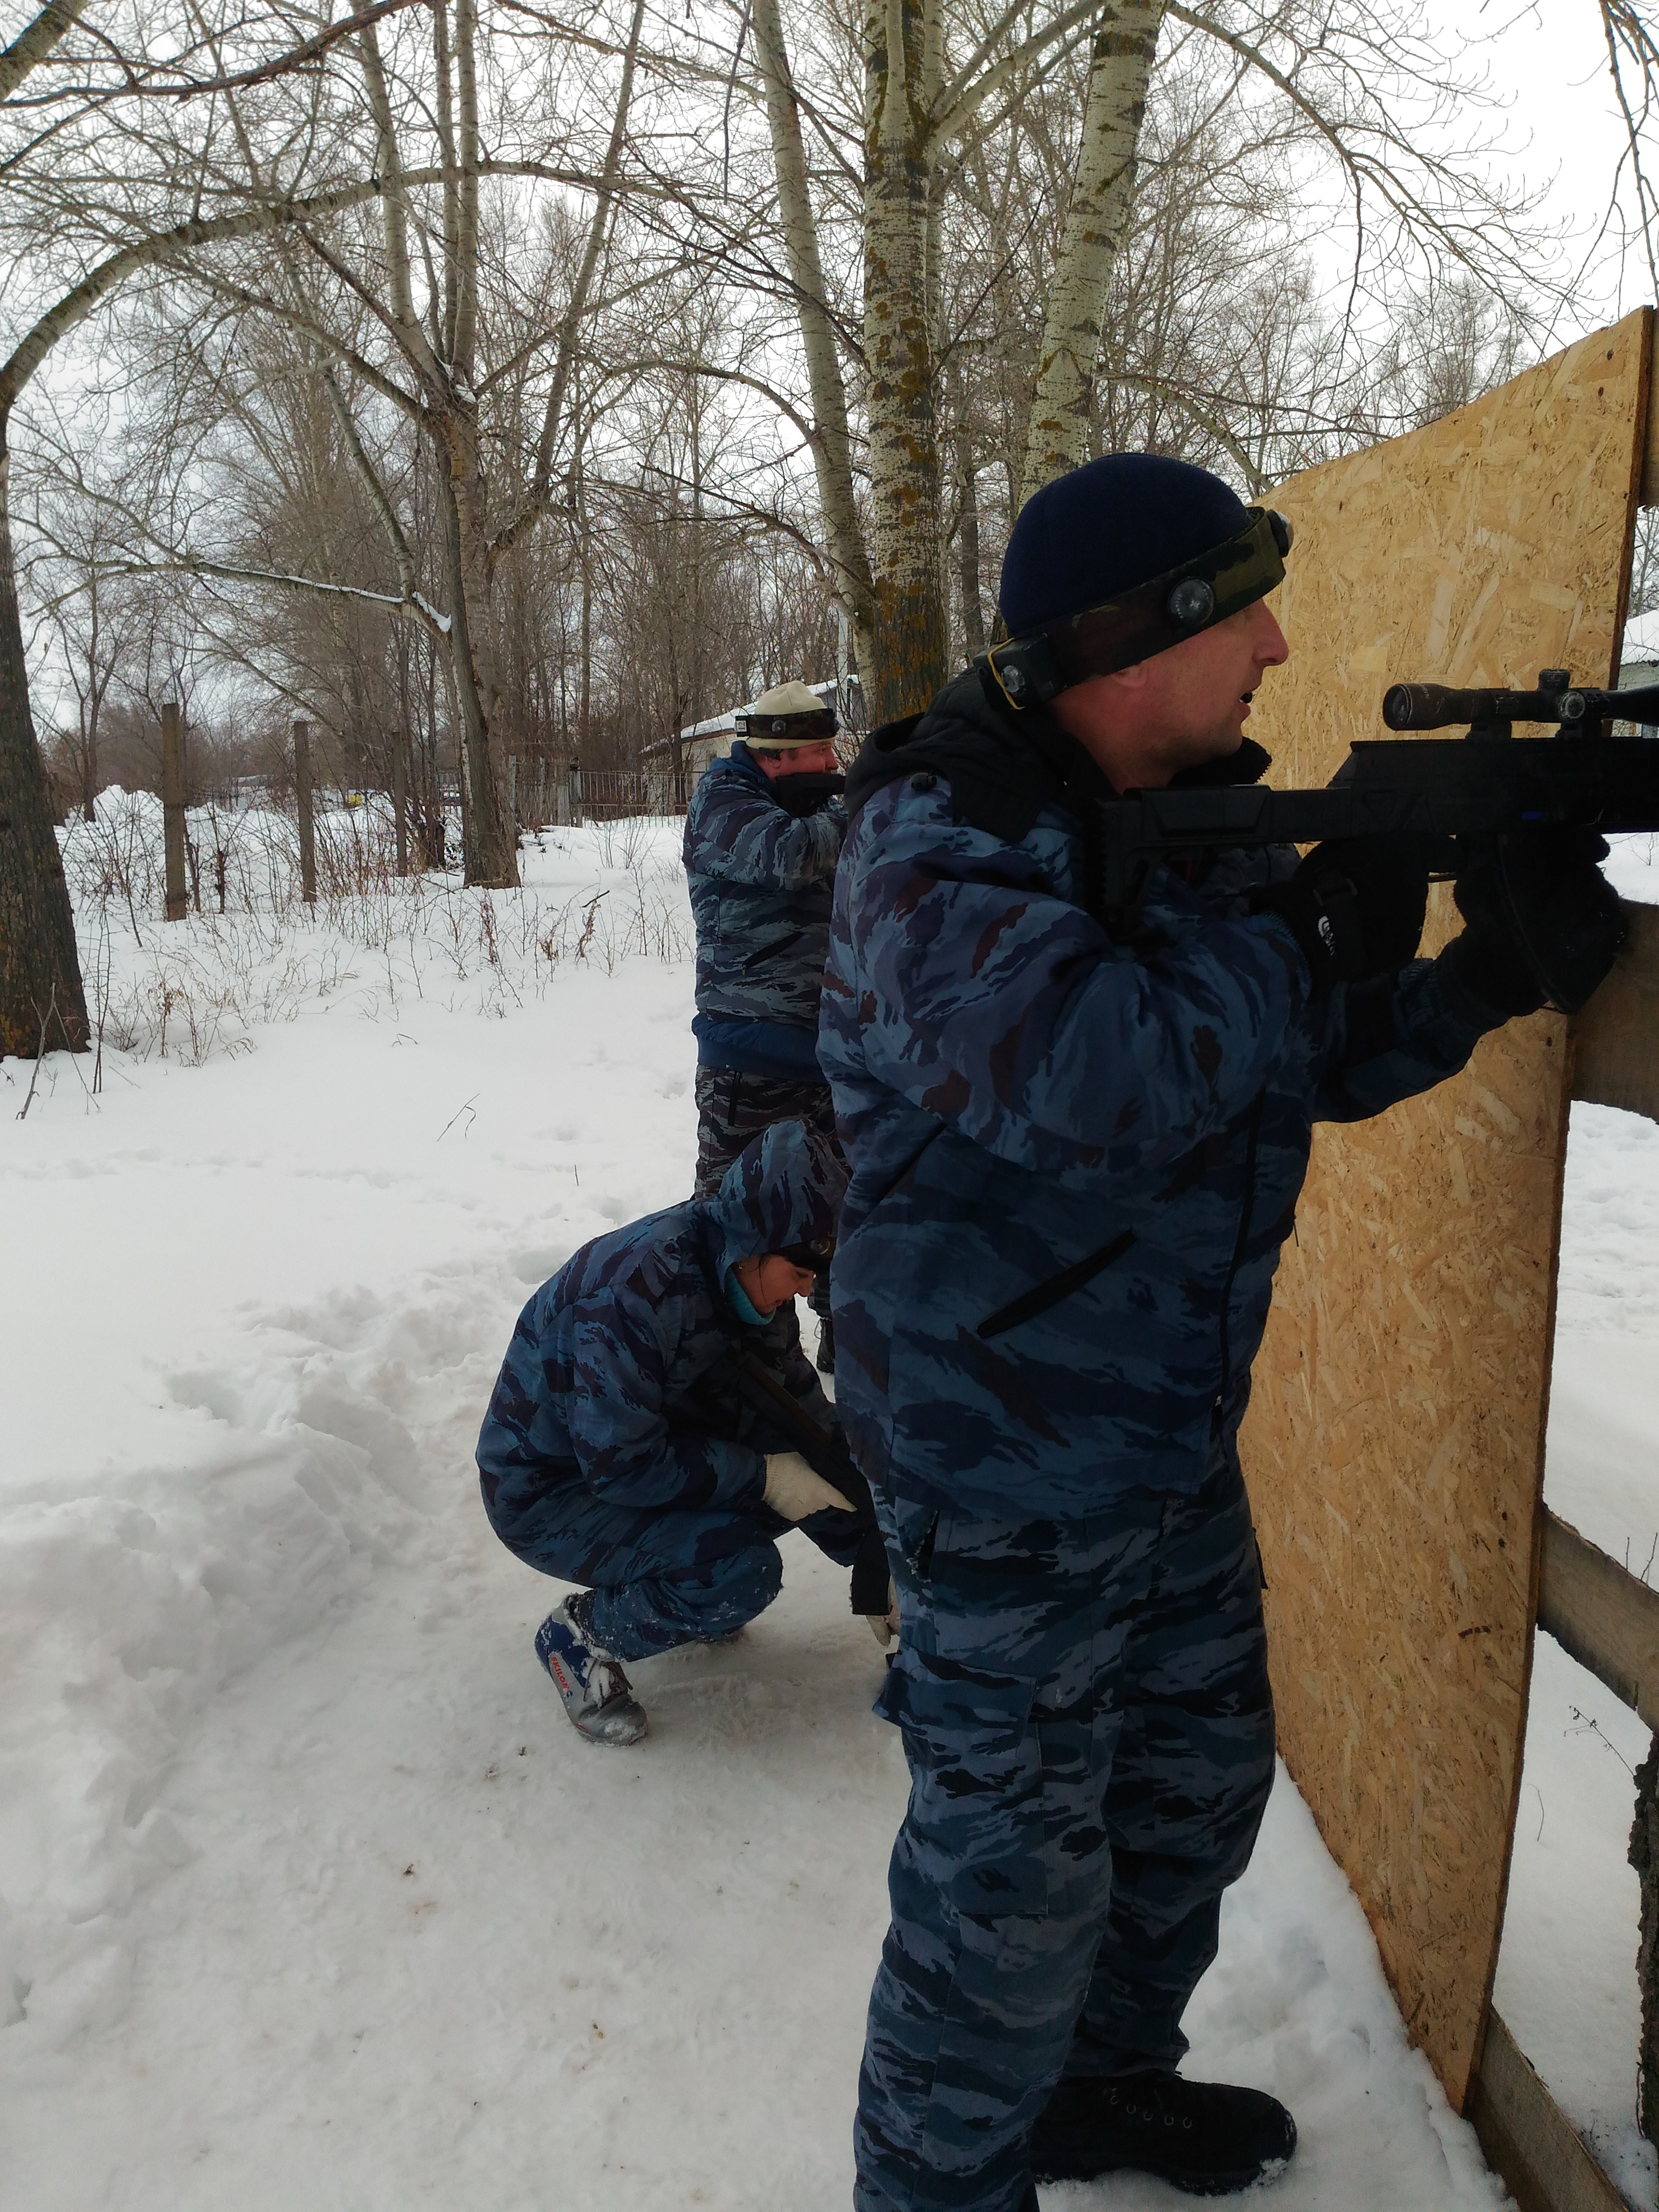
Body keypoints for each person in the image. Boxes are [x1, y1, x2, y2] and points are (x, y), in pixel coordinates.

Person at [817, 453, 1626, 2210]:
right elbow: (1103, 1076)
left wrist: (1475, 978)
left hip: (1162, 1437)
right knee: (1006, 1885)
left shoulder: (1197, 816)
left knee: (1191, 1786)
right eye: (1241, 611)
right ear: (1132, 640)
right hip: (995, 1455)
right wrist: (1308, 933)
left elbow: (1286, 1062)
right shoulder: (935, 843)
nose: (1276, 646)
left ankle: (1095, 2087)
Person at [475, 1121, 892, 1748]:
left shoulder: (748, 1284)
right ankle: (579, 1637)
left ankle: (690, 1577)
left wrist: (876, 1547)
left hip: (647, 1452)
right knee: (740, 1567)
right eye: (802, 1268)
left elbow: (798, 1415)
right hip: (550, 1492)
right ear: (753, 1243)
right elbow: (621, 1466)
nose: (809, 1287)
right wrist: (766, 1478)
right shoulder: (632, 1297)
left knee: (802, 1475)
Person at [683, 679, 847, 1371]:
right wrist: (865, 807)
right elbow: (792, 855)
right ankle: (719, 1366)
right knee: (733, 1227)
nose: (833, 763)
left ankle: (846, 1355)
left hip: (831, 1059)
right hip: (748, 1064)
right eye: (820, 753)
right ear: (777, 757)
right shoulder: (722, 804)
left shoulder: (815, 805)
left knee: (844, 1214)